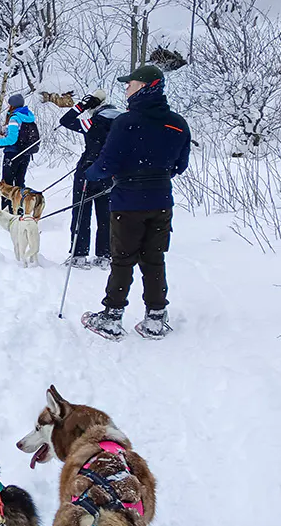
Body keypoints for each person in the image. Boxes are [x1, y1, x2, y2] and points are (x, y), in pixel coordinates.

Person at [81, 64, 191, 341]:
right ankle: (155, 318)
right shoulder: (177, 123)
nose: (126, 89)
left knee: (123, 260)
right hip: (161, 201)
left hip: (128, 203)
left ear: (144, 86)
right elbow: (180, 165)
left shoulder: (127, 122)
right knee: (154, 259)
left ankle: (112, 316)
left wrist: (89, 174)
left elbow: (106, 164)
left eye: (129, 84)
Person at [59, 89, 121, 269]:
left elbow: (65, 121)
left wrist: (82, 105)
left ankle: (79, 254)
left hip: (86, 172)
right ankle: (105, 255)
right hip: (110, 175)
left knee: (80, 214)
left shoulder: (93, 122)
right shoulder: (122, 125)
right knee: (106, 216)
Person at [0, 93, 39, 193]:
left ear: (12, 105)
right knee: (20, 183)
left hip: (12, 154)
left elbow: (12, 139)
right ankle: (20, 207)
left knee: (7, 185)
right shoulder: (28, 116)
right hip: (25, 153)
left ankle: (7, 208)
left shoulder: (14, 118)